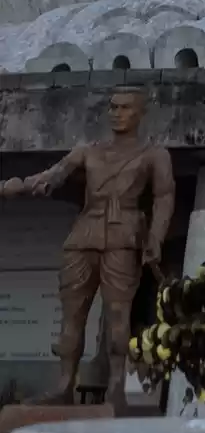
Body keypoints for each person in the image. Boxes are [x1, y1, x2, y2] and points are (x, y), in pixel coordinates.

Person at [0, 87, 174, 411]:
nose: (116, 113)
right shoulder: (87, 151)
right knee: (72, 316)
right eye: (112, 107)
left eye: (124, 107)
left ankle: (116, 389)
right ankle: (65, 385)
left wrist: (156, 237)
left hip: (123, 234)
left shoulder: (154, 154)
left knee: (119, 316)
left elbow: (164, 197)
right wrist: (31, 183)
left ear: (140, 113)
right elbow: (55, 173)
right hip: (84, 234)